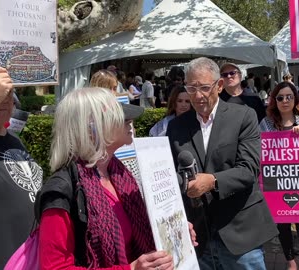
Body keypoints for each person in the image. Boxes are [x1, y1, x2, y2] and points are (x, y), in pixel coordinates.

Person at [37, 87, 190, 269]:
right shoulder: (61, 191)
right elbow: (54, 267)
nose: (130, 121)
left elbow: (135, 231)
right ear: (91, 127)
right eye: (120, 115)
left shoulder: (118, 173)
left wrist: (171, 231)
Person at [166, 57, 278, 269]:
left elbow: (249, 170)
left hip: (240, 234)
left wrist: (212, 181)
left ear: (219, 86)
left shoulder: (244, 116)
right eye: (191, 88)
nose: (197, 96)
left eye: (204, 88)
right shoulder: (177, 127)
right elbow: (173, 173)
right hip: (199, 236)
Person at [259, 82, 299, 270]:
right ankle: (290, 261)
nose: (285, 101)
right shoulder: (266, 123)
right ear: (274, 101)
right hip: (277, 182)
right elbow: (260, 149)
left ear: (295, 99)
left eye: (289, 97)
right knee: (282, 226)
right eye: (280, 97)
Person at [0, 66, 43, 269]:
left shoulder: (14, 140)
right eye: (1, 94)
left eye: (10, 95)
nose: (7, 100)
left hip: (28, 258)